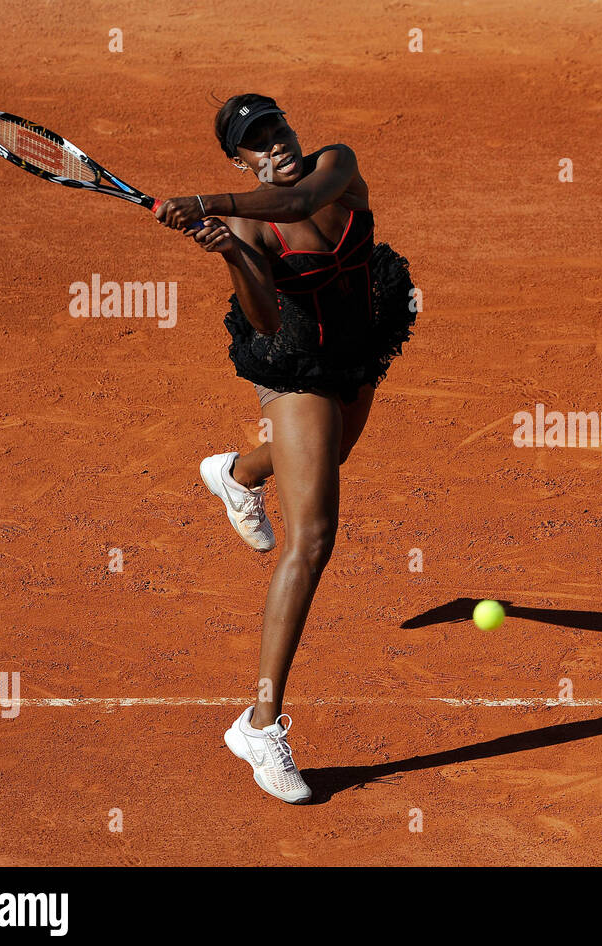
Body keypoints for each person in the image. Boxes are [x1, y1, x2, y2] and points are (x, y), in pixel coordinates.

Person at [156, 93, 414, 803]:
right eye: (255, 143)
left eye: (278, 129)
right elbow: (267, 316)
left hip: (359, 341)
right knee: (313, 537)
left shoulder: (337, 165)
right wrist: (230, 248)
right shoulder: (242, 222)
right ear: (239, 159)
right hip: (297, 362)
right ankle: (259, 724)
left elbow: (303, 197)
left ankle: (237, 474)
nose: (275, 146)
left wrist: (203, 199)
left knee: (327, 461)